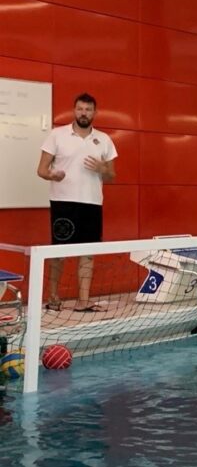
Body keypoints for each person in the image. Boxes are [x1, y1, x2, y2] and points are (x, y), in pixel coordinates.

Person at [36, 93, 117, 312]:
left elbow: (111, 175)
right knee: (58, 252)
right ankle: (53, 298)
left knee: (88, 252)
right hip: (63, 203)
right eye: (80, 109)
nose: (84, 113)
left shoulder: (104, 139)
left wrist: (102, 168)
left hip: (92, 203)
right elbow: (41, 170)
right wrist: (53, 175)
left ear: (94, 113)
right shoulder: (57, 135)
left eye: (88, 110)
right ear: (74, 110)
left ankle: (83, 301)